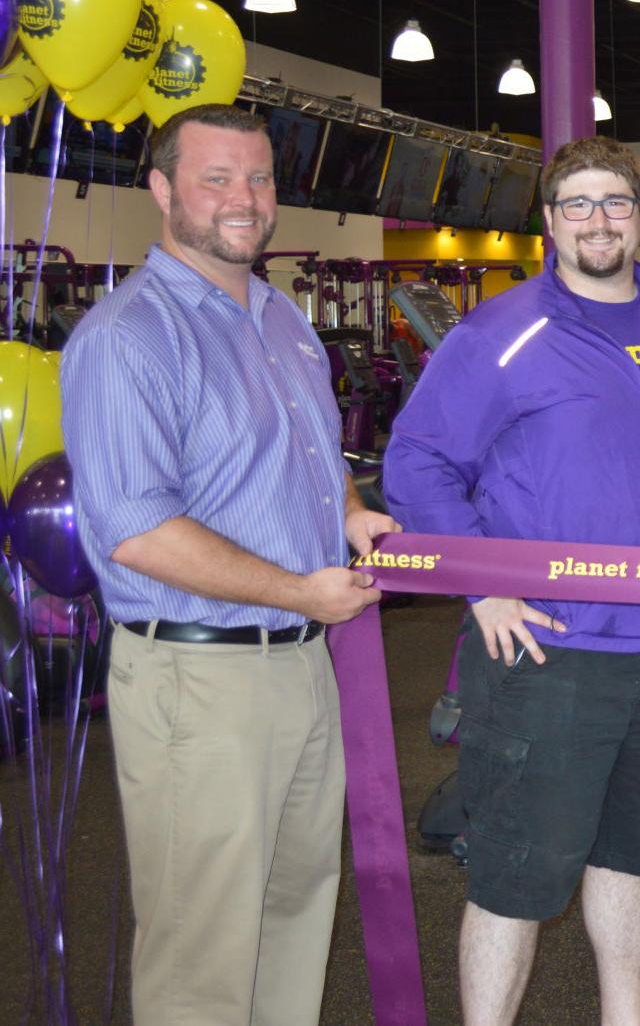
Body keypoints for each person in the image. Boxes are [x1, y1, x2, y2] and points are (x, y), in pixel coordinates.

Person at [383, 135, 640, 1026]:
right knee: (514, 873)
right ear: (550, 221)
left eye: (614, 202)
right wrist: (483, 585)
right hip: (551, 652)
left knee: (631, 855)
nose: (598, 220)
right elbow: (419, 461)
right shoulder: (499, 334)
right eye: (578, 204)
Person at [59, 102, 395, 1025]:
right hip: (196, 679)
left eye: (258, 178)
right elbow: (135, 528)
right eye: (216, 178)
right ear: (162, 190)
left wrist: (351, 513)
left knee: (294, 920)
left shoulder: (283, 319)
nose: (243, 198)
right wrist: (299, 589)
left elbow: (311, 460)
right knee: (202, 953)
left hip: (302, 662)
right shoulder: (127, 336)